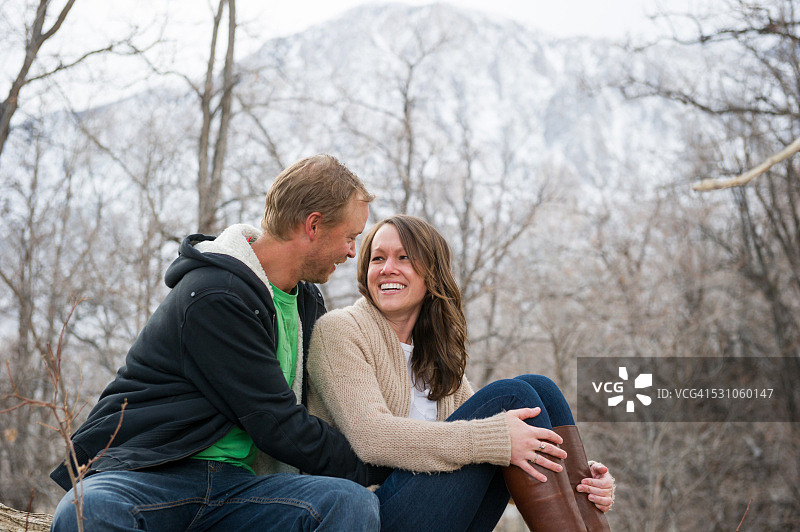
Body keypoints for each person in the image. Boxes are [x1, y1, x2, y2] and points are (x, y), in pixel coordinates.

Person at [50, 154, 390, 531]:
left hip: (237, 489)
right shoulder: (216, 294)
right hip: (151, 474)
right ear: (313, 226)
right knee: (90, 509)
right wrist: (381, 464)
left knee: (349, 504)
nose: (351, 252)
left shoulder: (306, 302)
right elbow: (277, 424)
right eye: (350, 237)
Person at [307, 214, 615, 532]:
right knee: (512, 398)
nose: (387, 269)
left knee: (539, 388)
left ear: (432, 273)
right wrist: (497, 438)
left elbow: (490, 462)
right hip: (369, 517)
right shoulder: (340, 331)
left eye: (404, 258)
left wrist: (575, 479)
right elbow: (373, 438)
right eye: (378, 258)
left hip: (434, 514)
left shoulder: (434, 356)